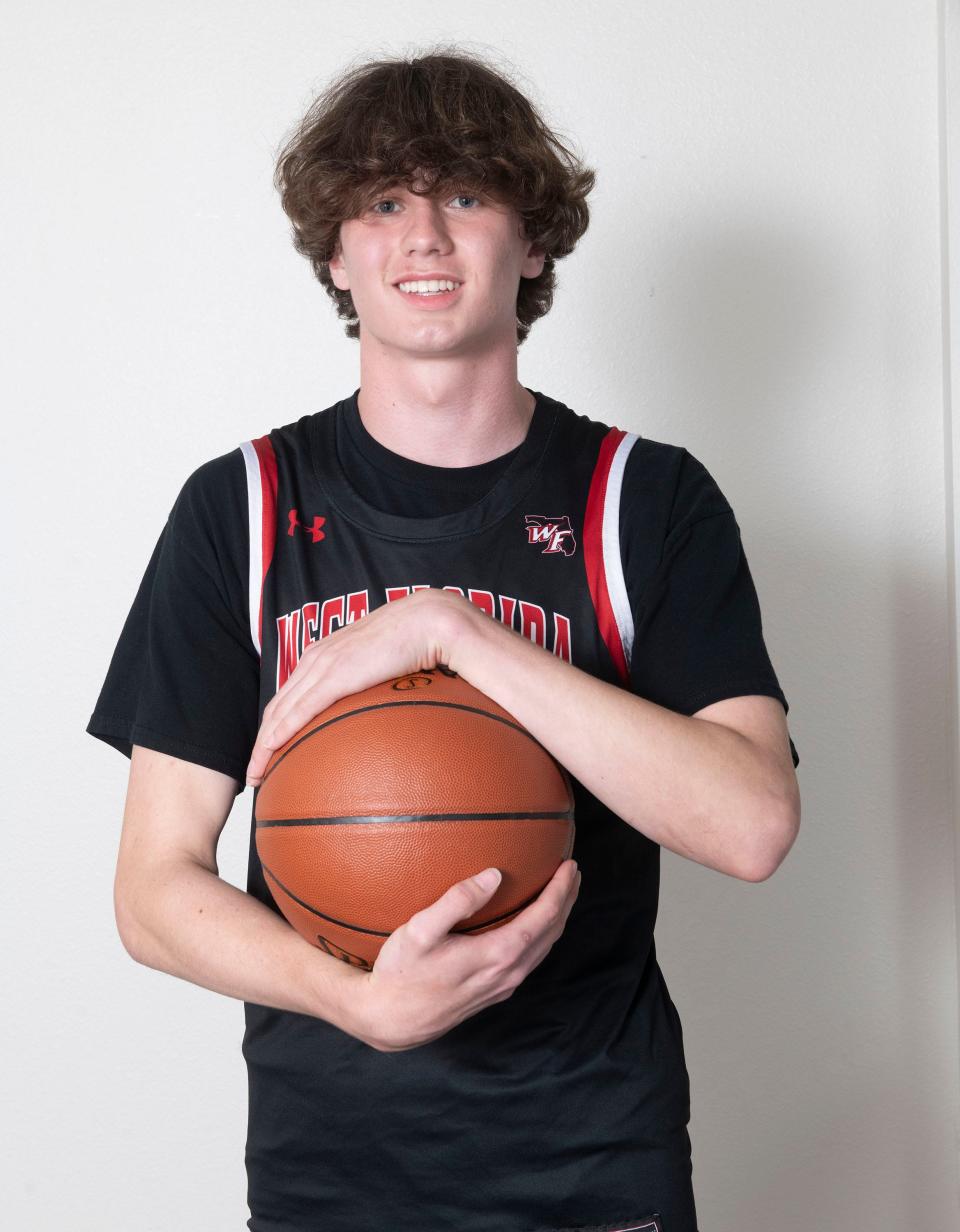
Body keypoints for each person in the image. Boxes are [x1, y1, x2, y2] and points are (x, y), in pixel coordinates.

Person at [86, 46, 800, 1232]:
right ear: (335, 251)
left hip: (591, 1154)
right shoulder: (242, 507)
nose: (422, 234)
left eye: (465, 194)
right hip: (332, 1163)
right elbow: (152, 889)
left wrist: (453, 629)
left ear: (532, 243)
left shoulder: (645, 500)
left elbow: (753, 821)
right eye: (381, 200)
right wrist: (351, 998)